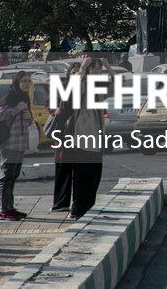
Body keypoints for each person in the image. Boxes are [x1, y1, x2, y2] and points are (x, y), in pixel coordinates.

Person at [61, 58, 106, 219]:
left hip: (96, 138)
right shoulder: (80, 89)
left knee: (94, 175)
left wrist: (106, 68)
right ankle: (79, 209)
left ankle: (89, 207)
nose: (96, 72)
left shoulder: (96, 88)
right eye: (93, 69)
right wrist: (83, 67)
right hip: (83, 138)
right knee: (82, 176)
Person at [0, 73, 34, 221]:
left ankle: (9, 207)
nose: (26, 84)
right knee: (5, 177)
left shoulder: (25, 98)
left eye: (29, 81)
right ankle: (3, 210)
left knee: (13, 176)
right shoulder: (10, 97)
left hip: (20, 143)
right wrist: (16, 109)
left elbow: (28, 121)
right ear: (17, 82)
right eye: (23, 81)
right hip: (9, 143)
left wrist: (29, 117)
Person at [49, 61, 83, 213]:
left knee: (79, 168)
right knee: (63, 167)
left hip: (80, 132)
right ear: (69, 74)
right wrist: (55, 110)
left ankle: (77, 202)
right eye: (73, 72)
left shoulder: (84, 89)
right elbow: (50, 105)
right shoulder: (62, 88)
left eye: (78, 72)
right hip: (63, 132)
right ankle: (60, 203)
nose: (75, 75)